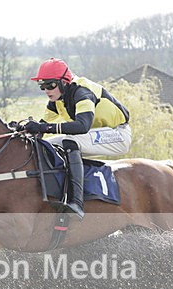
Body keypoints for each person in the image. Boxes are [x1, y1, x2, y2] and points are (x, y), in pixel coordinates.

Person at [18, 58, 132, 218]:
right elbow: (41, 128)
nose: (47, 90)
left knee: (70, 141)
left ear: (64, 82)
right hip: (95, 134)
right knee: (45, 146)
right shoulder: (56, 100)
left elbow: (82, 126)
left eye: (50, 85)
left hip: (117, 134)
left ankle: (76, 203)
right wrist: (22, 129)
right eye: (42, 86)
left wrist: (43, 127)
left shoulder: (82, 92)